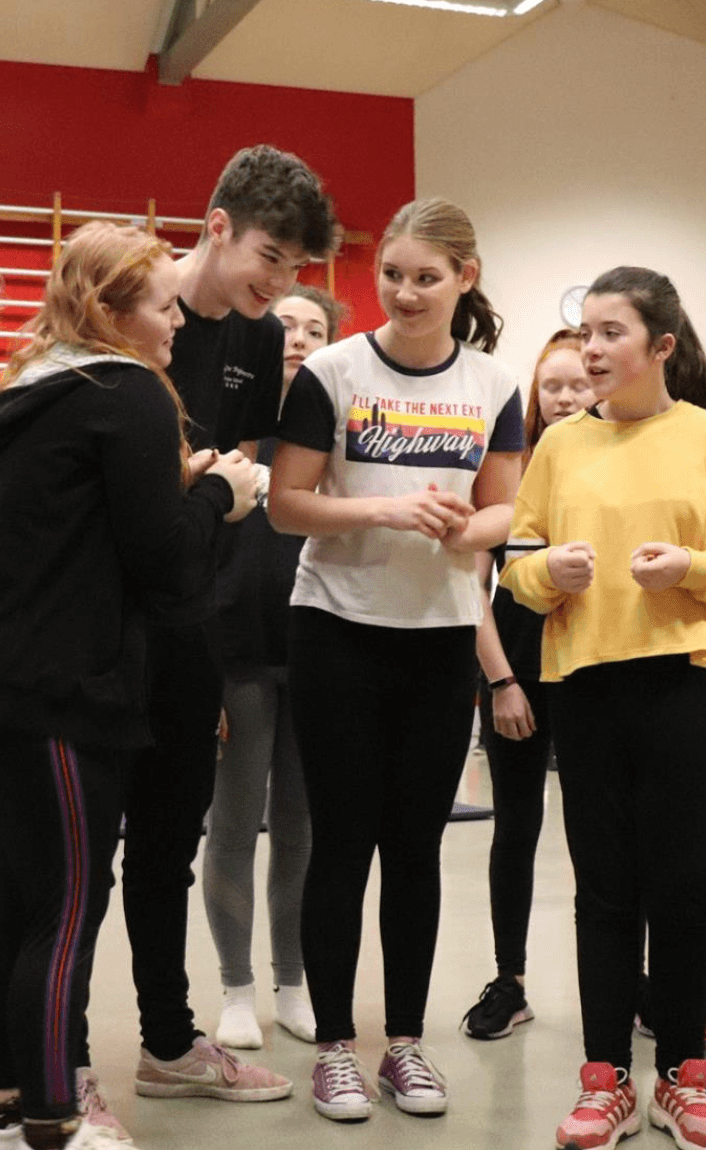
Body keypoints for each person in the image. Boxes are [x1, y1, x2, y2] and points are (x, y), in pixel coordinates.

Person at [0, 221, 257, 1150]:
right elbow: (167, 572)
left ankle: (3, 1106)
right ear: (113, 313)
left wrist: (177, 487)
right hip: (61, 693)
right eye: (161, 306)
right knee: (65, 908)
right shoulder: (128, 395)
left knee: (13, 899)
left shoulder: (39, 391)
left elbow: (94, 529)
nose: (175, 325)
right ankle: (52, 1117)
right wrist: (219, 497)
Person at [500, 265, 706, 1150]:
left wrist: (691, 569)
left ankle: (686, 1079)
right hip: (585, 686)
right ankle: (606, 1079)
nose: (591, 348)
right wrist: (551, 574)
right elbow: (516, 566)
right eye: (586, 331)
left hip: (685, 685)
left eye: (611, 332)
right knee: (604, 889)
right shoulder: (557, 445)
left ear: (661, 346)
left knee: (685, 883)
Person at [271, 197, 523, 1123]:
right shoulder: (332, 371)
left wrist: (471, 524)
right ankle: (336, 1048)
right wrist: (379, 508)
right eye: (392, 275)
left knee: (415, 848)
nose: (406, 292)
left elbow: (507, 511)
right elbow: (285, 505)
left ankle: (404, 1046)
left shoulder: (493, 384)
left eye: (427, 276)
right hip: (336, 626)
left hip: (440, 636)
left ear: (466, 279)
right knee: (341, 843)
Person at [125, 146, 331, 1112]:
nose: (281, 284)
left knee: (170, 837)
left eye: (296, 269)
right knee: (68, 855)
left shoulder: (252, 339)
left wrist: (219, 491)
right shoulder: (121, 309)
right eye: (270, 256)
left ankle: (168, 1040)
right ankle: (51, 1062)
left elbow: (238, 475)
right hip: (99, 623)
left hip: (191, 617)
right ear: (215, 227)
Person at [202, 284, 342, 1050]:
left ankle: (291, 980)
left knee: (301, 827)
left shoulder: (332, 439)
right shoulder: (233, 432)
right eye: (282, 323)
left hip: (315, 653)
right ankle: (234, 988)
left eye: (312, 327)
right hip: (238, 658)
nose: (295, 336)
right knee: (232, 823)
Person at [460, 327, 593, 1041]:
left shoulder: (617, 464)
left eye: (579, 383)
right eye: (554, 385)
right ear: (536, 396)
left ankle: (621, 981)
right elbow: (472, 584)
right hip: (516, 674)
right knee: (515, 829)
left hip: (593, 677)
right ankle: (508, 981)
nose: (567, 395)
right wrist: (502, 682)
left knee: (598, 835)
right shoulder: (510, 470)